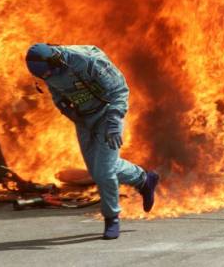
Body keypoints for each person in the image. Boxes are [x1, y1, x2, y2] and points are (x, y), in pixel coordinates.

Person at [25, 43, 159, 240]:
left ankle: (111, 218)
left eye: (50, 73)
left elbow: (119, 91)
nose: (49, 77)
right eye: (45, 76)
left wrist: (114, 122)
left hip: (107, 115)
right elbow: (57, 93)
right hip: (84, 120)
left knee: (105, 172)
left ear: (56, 60)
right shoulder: (48, 73)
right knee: (97, 171)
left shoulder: (88, 60)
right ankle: (143, 179)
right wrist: (66, 110)